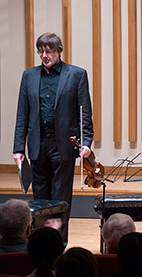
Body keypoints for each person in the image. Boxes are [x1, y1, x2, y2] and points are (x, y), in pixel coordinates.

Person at [13, 32, 93, 243]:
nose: (45, 55)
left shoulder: (76, 74)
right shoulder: (29, 75)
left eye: (49, 51)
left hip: (64, 146)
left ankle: (59, 243)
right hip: (38, 145)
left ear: (59, 51)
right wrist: (18, 148)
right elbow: (22, 114)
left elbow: (84, 112)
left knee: (60, 198)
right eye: (41, 51)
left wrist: (86, 143)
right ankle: (40, 243)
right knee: (40, 199)